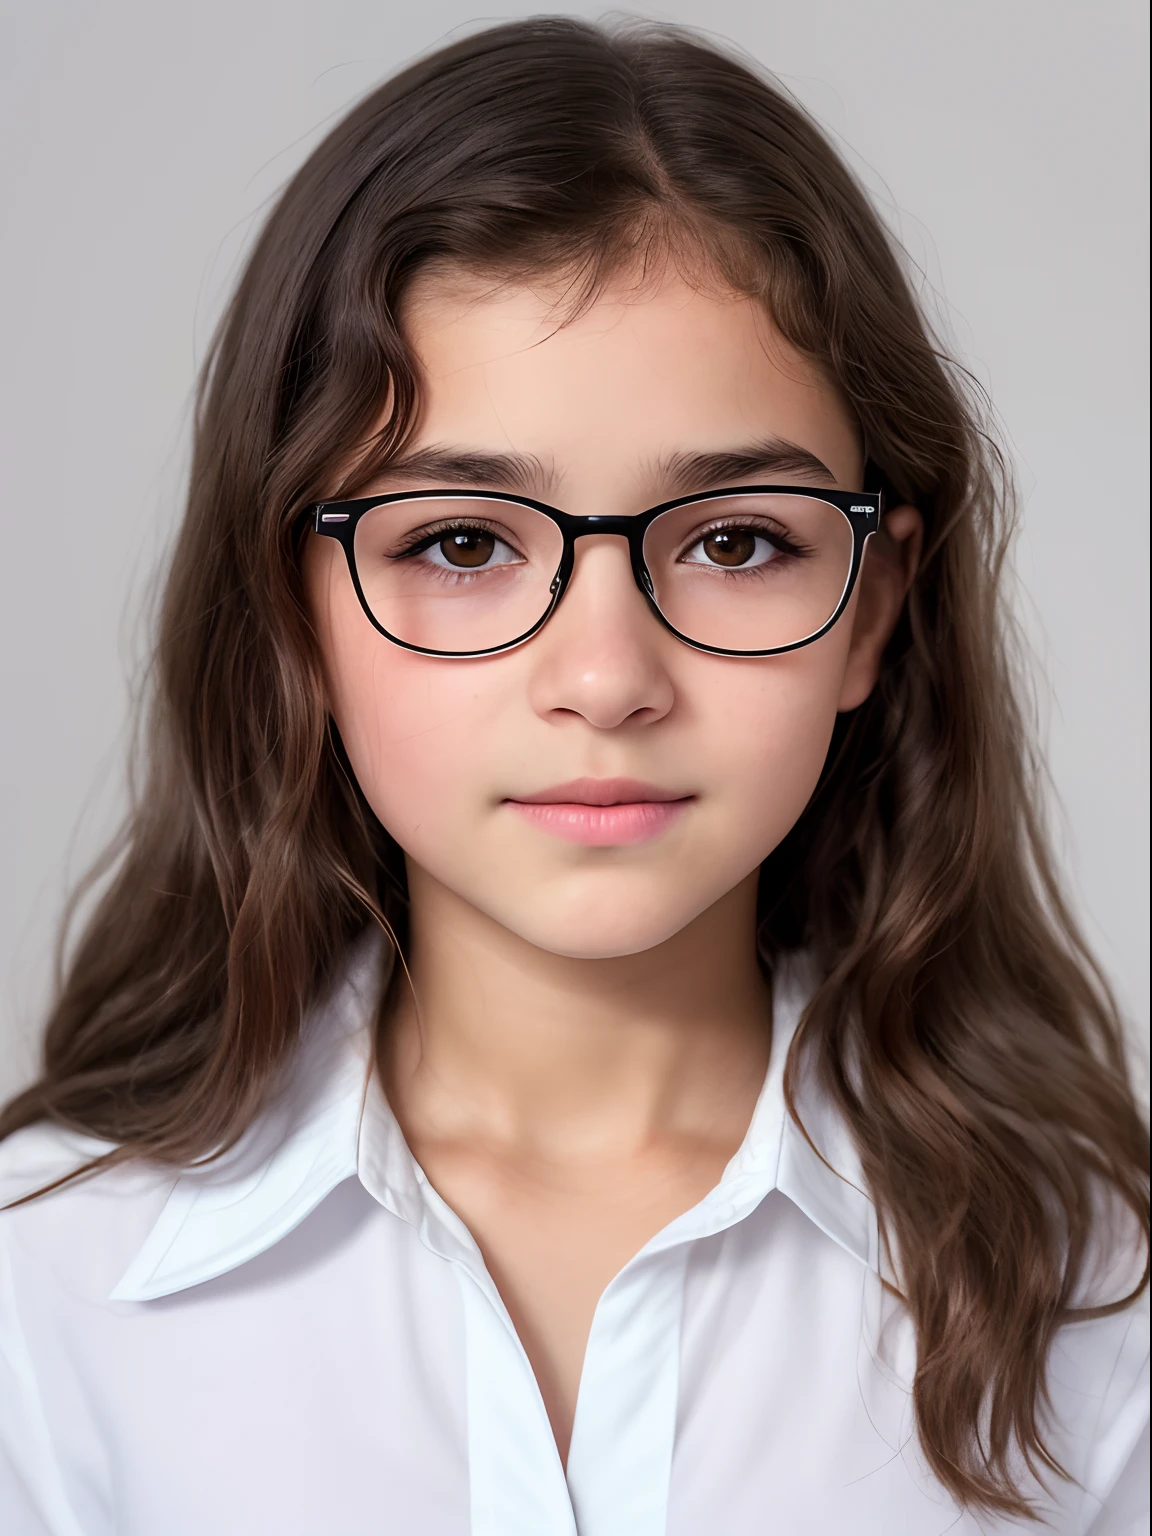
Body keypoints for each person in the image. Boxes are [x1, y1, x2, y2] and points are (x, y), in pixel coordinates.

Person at [0, 17, 1146, 1535]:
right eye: (461, 543)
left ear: (872, 604)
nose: (607, 680)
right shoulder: (46, 1300)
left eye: (738, 540)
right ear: (294, 611)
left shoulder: (1098, 1301)